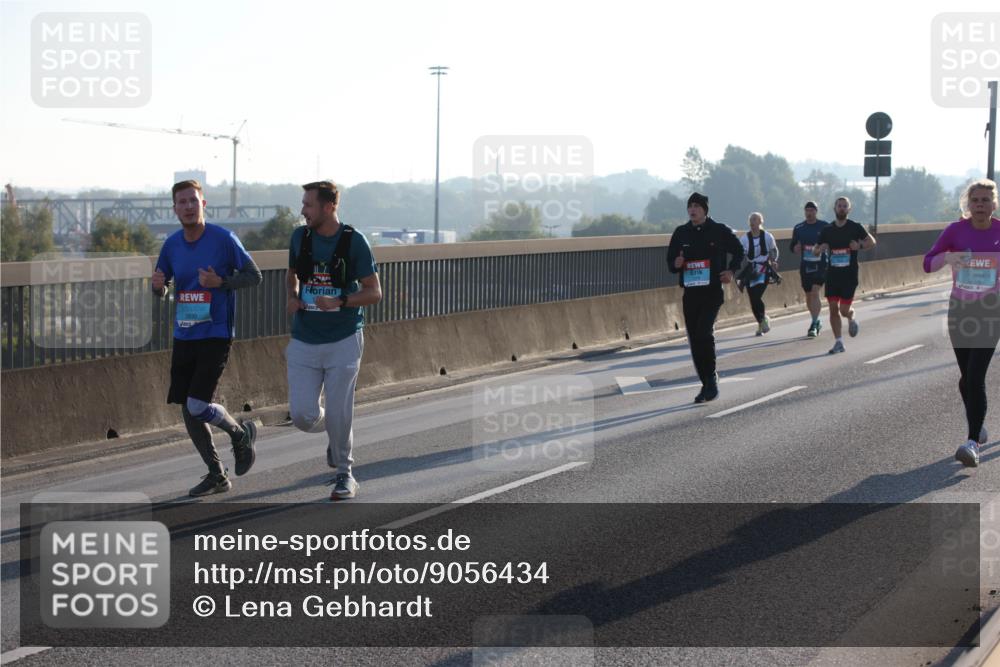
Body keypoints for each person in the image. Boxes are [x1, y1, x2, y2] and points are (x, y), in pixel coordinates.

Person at [152, 180, 262, 497]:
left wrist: (221, 281)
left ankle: (239, 433)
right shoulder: (171, 244)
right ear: (174, 209)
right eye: (181, 202)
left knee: (198, 404)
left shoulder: (223, 239)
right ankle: (216, 473)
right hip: (185, 332)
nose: (188, 206)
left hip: (216, 332)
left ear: (204, 203)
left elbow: (254, 276)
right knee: (188, 409)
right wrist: (158, 287)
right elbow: (163, 287)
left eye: (193, 201)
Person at [286, 181, 381, 500]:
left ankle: (345, 474)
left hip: (344, 338)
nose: (302, 210)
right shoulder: (300, 237)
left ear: (329, 207)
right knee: (302, 416)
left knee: (340, 412)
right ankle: (334, 433)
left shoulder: (355, 242)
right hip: (304, 338)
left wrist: (340, 301)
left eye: (308, 205)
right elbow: (292, 274)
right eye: (303, 204)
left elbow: (374, 292)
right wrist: (292, 296)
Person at [923, 178, 1000, 467]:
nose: (980, 205)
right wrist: (950, 257)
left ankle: (972, 443)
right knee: (966, 378)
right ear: (968, 204)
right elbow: (927, 264)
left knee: (977, 377)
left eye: (986, 200)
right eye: (975, 200)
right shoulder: (955, 231)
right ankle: (977, 424)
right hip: (960, 311)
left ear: (994, 204)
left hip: (991, 311)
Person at [667, 192, 745, 403]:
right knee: (694, 338)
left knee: (704, 332)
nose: (692, 210)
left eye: (697, 206)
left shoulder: (719, 230)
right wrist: (676, 264)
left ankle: (711, 378)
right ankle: (706, 383)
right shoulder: (681, 233)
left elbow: (739, 251)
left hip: (712, 292)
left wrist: (731, 271)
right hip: (690, 293)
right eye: (690, 206)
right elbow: (670, 263)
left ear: (705, 210)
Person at [813, 196, 876, 354]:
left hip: (849, 275)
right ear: (834, 209)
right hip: (833, 274)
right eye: (839, 206)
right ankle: (839, 342)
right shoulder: (827, 230)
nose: (841, 208)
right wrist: (820, 249)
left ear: (849, 209)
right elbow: (814, 250)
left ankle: (851, 316)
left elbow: (872, 242)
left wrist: (859, 245)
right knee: (833, 308)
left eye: (844, 206)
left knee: (843, 309)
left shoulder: (855, 227)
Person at [790, 201, 830, 337]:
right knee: (808, 295)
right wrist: (795, 248)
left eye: (812, 210)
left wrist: (822, 247)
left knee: (814, 292)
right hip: (805, 265)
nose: (809, 213)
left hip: (821, 264)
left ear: (816, 212)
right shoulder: (799, 228)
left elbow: (830, 242)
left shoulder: (824, 226)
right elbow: (792, 246)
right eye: (807, 210)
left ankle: (813, 323)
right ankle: (816, 319)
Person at [739, 212, 779, 336]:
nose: (752, 222)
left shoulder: (767, 236)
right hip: (751, 269)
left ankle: (762, 320)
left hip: (764, 268)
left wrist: (774, 261)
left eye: (755, 219)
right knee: (752, 298)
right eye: (751, 220)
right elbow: (741, 254)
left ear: (761, 221)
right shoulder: (744, 238)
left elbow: (773, 250)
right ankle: (761, 322)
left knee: (757, 296)